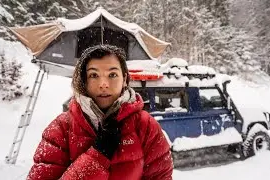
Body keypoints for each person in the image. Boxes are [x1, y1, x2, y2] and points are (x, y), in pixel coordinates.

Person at [27, 44, 173, 180]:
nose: (103, 84)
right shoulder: (61, 129)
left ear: (124, 79)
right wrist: (97, 156)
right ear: (84, 81)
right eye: (94, 75)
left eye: (112, 75)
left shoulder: (145, 126)